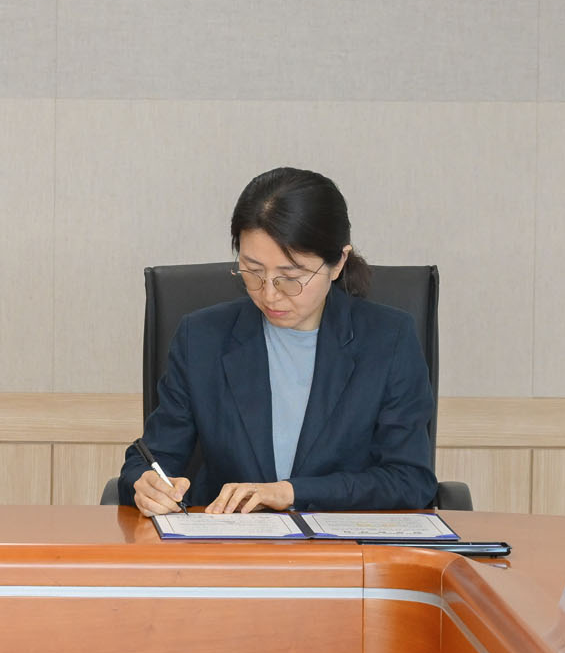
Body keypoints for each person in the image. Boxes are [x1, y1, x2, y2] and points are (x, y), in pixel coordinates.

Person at [120, 167, 437, 516]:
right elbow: (152, 457)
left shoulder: (388, 340)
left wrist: (291, 492)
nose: (269, 294)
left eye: (291, 276)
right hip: (228, 540)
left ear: (338, 263)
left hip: (342, 544)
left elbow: (410, 480)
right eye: (253, 271)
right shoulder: (201, 339)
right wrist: (145, 484)